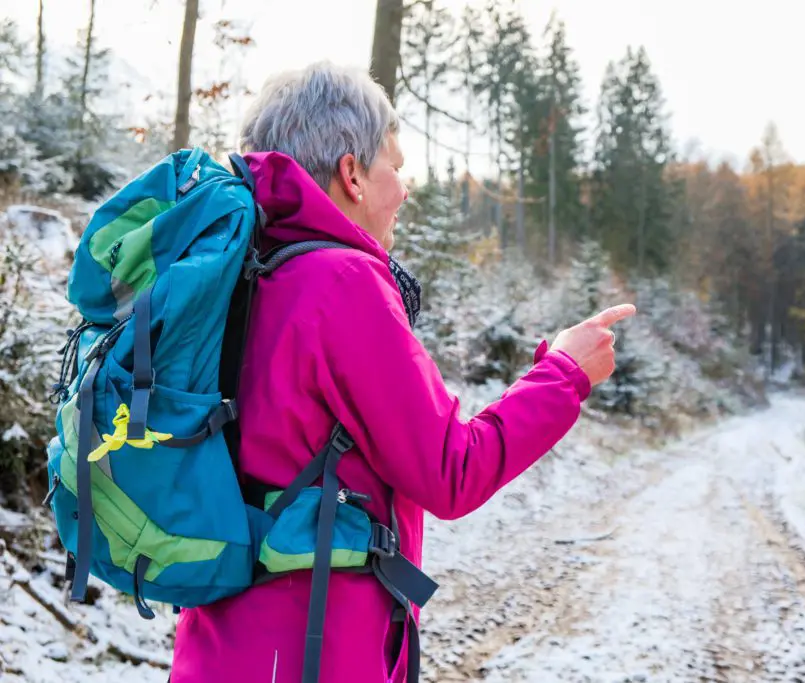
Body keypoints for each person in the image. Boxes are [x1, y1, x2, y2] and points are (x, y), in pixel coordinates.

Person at [169, 61, 635, 683]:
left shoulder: (244, 270)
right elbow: (452, 471)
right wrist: (565, 375)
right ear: (352, 174)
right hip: (315, 653)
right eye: (396, 165)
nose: (404, 189)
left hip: (222, 646)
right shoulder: (340, 283)